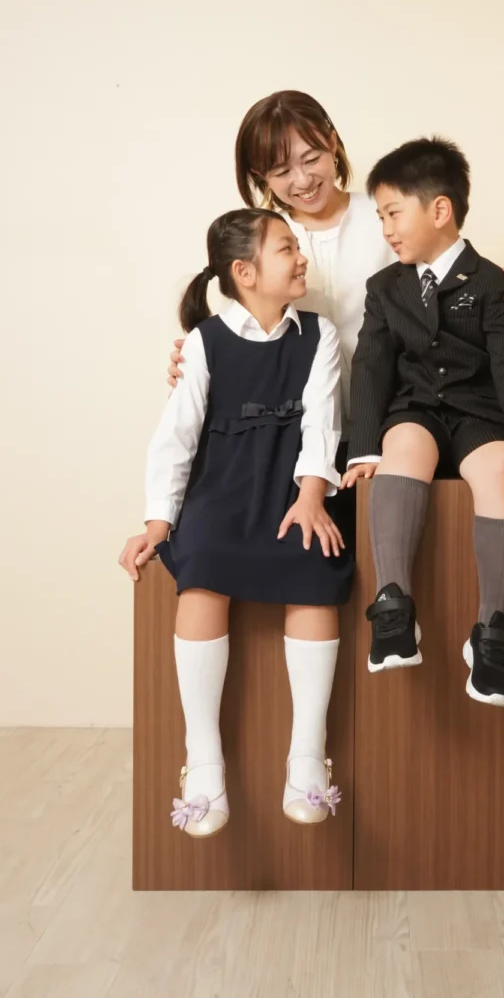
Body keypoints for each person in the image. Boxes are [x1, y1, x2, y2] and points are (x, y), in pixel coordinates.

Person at [119, 209, 353, 837]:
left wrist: (311, 496)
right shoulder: (205, 341)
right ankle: (203, 763)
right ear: (245, 272)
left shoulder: (320, 334)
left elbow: (322, 422)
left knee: (315, 565)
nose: (301, 257)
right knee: (200, 569)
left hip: (294, 486)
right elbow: (176, 437)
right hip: (220, 488)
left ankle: (307, 757)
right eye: (287, 249)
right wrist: (158, 522)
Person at [340, 137, 504, 709]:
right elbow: (372, 368)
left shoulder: (495, 285)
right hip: (416, 412)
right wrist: (363, 449)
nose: (386, 229)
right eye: (380, 217)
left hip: (480, 416)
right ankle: (393, 605)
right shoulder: (385, 288)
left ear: (440, 210)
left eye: (393, 213)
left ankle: (494, 630)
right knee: (402, 446)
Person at [167, 91, 504, 440]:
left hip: (401, 423)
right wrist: (199, 361)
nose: (303, 180)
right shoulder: (262, 241)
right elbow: (240, 326)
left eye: (311, 159)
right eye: (281, 172)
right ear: (259, 176)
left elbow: (455, 278)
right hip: (300, 435)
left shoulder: (387, 216)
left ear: (332, 142)